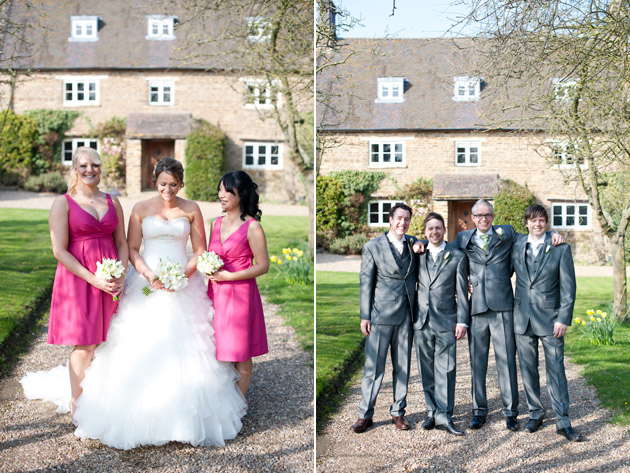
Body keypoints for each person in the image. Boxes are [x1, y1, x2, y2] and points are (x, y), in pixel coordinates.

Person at [22, 158, 246, 449]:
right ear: (156, 182)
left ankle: (184, 414)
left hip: (182, 282)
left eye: (174, 184)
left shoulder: (191, 209)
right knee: (138, 342)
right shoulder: (140, 209)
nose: (168, 189)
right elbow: (133, 248)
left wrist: (182, 274)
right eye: (163, 183)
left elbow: (200, 250)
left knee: (189, 343)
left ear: (182, 184)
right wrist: (149, 274)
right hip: (147, 281)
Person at [24, 147, 128, 417]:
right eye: (83, 165)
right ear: (75, 169)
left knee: (112, 339)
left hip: (111, 279)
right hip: (79, 280)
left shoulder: (113, 202)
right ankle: (78, 405)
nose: (90, 170)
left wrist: (122, 274)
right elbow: (59, 250)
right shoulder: (63, 203)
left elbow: (122, 243)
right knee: (85, 343)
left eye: (94, 164)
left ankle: (106, 398)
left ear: (101, 168)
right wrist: (94, 279)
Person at [452, 199, 563, 431]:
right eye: (479, 215)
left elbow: (534, 232)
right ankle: (479, 411)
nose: (484, 219)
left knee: (507, 362)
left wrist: (553, 233)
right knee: (477, 363)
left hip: (503, 307)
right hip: (476, 309)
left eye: (488, 215)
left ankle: (511, 412)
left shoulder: (508, 233)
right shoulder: (463, 239)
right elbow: (441, 247)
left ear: (493, 216)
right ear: (472, 218)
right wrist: (416, 243)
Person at [511, 205, 583, 442]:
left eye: (542, 220)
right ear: (526, 223)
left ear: (546, 223)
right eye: (533, 220)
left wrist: (563, 318)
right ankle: (535, 412)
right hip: (522, 319)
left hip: (551, 320)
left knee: (556, 370)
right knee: (528, 370)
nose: (537, 224)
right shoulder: (517, 244)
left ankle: (563, 420)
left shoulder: (560, 248)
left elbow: (569, 288)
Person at [350, 203, 417, 433]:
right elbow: (365, 281)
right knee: (374, 368)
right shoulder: (373, 246)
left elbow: (431, 241)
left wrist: (422, 242)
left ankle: (398, 412)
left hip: (406, 315)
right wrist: (365, 315)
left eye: (407, 219)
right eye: (399, 218)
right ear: (390, 219)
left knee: (402, 367)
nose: (403, 223)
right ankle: (365, 415)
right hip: (379, 315)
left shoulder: (413, 243)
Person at [206, 170, 269, 396]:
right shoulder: (214, 223)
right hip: (214, 292)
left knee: (240, 350)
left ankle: (239, 405)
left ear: (240, 194)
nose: (222, 195)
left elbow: (263, 265)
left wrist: (229, 276)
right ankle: (221, 399)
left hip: (240, 293)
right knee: (216, 346)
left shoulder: (253, 227)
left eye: (227, 191)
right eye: (220, 189)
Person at [413, 212, 469, 436]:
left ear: (445, 230)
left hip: (446, 319)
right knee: (425, 368)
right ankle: (431, 411)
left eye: (438, 228)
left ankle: (444, 415)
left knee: (446, 368)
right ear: (425, 233)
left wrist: (462, 320)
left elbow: (462, 292)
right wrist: (415, 242)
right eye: (430, 229)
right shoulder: (417, 253)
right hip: (422, 320)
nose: (434, 232)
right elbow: (396, 238)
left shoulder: (456, 256)